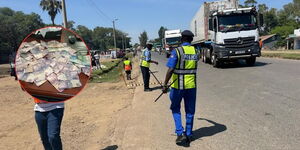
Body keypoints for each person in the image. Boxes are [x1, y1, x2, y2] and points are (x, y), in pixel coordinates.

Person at [162, 30, 199, 146]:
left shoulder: (177, 51)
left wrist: (164, 85)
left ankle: (179, 132)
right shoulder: (196, 51)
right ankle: (189, 134)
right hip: (192, 86)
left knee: (175, 108)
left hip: (178, 86)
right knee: (190, 111)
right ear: (191, 40)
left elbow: (171, 69)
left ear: (182, 39)